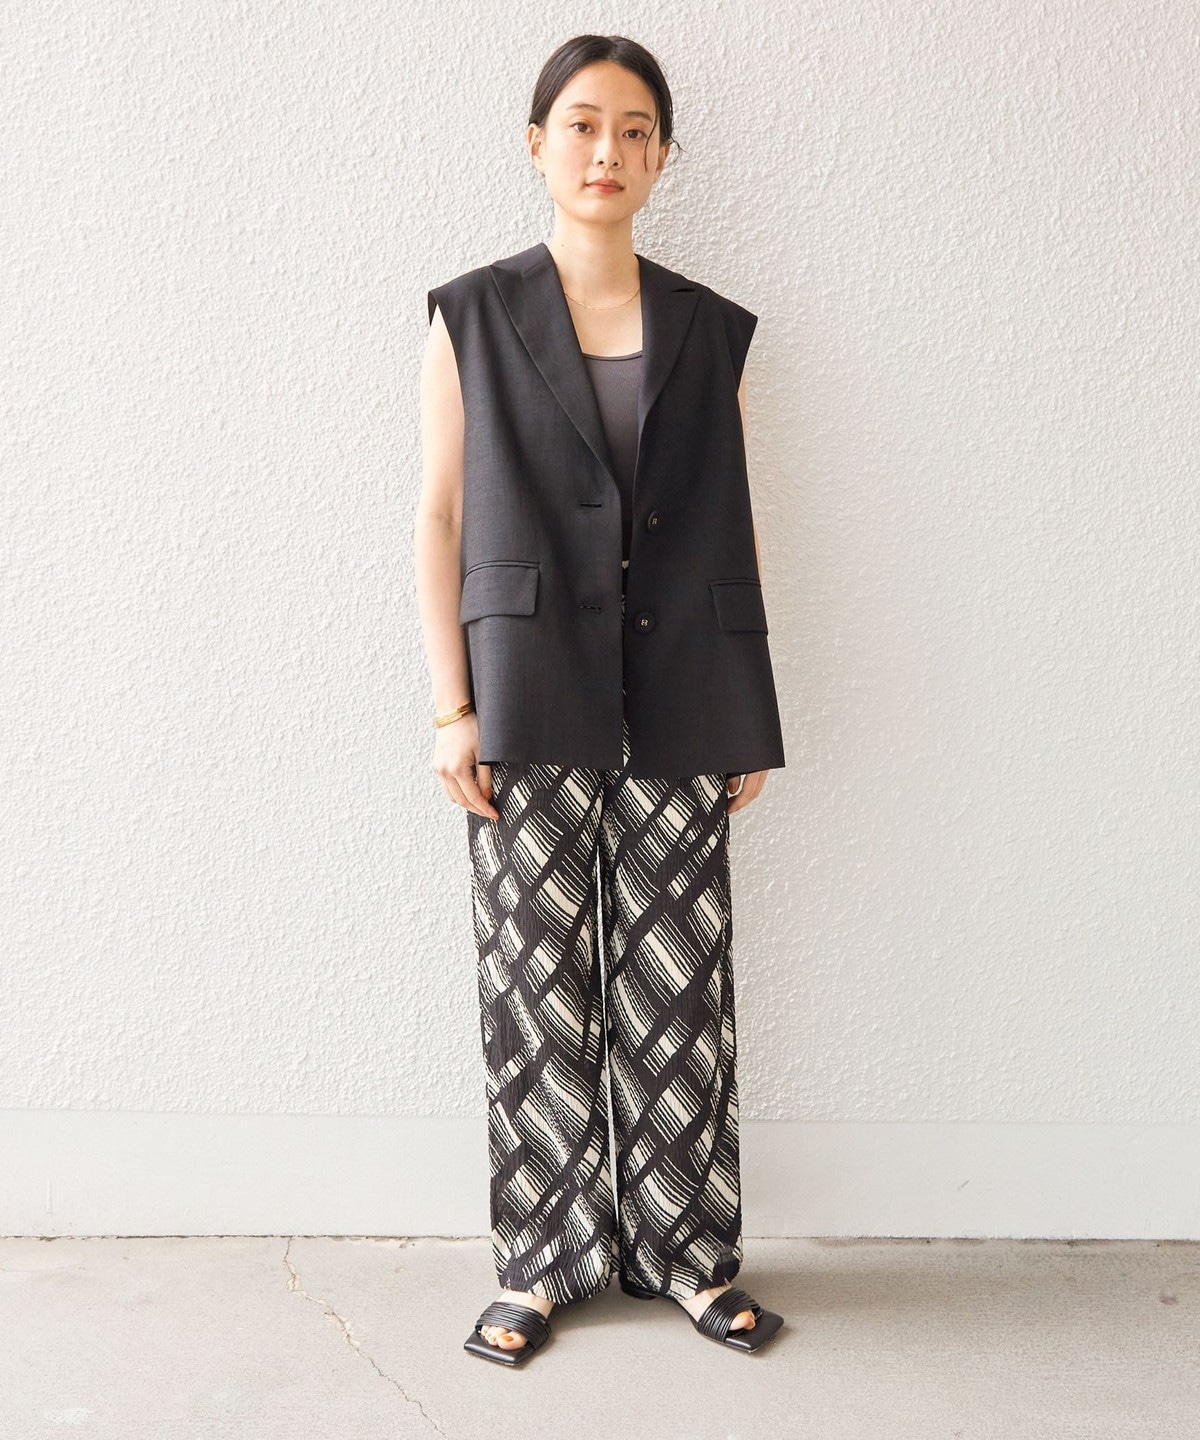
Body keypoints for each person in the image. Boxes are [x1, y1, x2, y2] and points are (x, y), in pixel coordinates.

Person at [415, 34, 786, 1364]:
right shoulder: (472, 313)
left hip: (681, 695)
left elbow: (730, 526)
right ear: (537, 144)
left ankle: (688, 1254)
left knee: (679, 993)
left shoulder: (710, 328)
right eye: (581, 124)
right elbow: (440, 515)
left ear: (663, 156)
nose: (606, 151)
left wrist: (746, 707)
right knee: (536, 987)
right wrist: (451, 708)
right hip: (524, 692)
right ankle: (540, 1262)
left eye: (634, 129)